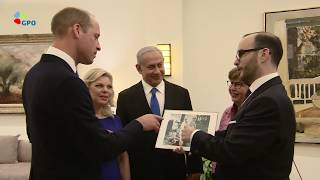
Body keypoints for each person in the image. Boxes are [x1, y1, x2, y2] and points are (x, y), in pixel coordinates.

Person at [22, 7, 161, 180]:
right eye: (96, 36)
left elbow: (34, 134)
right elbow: (101, 148)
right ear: (77, 30)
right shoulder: (69, 82)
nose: (99, 46)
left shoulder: (34, 74)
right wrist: (140, 124)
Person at [181, 32, 296, 180]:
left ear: (264, 54)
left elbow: (231, 151)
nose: (236, 62)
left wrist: (194, 136)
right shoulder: (263, 93)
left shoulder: (268, 100)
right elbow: (237, 137)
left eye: (241, 54)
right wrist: (192, 142)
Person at [116, 46, 202, 180]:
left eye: (160, 65)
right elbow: (123, 137)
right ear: (139, 68)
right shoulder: (125, 97)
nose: (157, 71)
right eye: (151, 67)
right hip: (140, 172)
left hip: (174, 170)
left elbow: (191, 131)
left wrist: (195, 168)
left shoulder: (181, 94)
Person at [84, 68, 130, 180]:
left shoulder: (115, 120)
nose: (105, 90)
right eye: (99, 85)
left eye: (109, 87)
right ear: (86, 88)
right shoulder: (81, 120)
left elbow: (123, 157)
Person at [209, 67, 249, 177]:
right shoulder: (227, 112)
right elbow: (220, 143)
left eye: (238, 84)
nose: (232, 88)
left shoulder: (252, 113)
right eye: (231, 83)